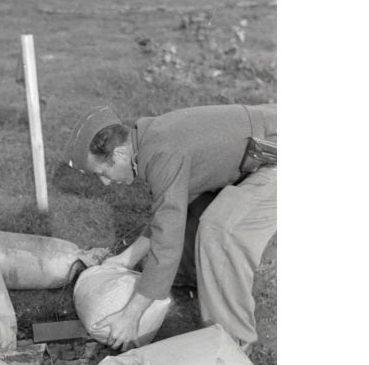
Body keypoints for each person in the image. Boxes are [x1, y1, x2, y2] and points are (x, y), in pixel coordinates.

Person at [66, 103, 276, 352]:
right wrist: (125, 259)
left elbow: (167, 239)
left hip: (274, 157)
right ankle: (194, 278)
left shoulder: (163, 153)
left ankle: (233, 346)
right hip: (259, 153)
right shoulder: (148, 140)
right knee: (193, 211)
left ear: (121, 154)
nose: (106, 182)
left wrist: (130, 316)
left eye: (103, 171)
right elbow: (169, 211)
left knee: (219, 231)